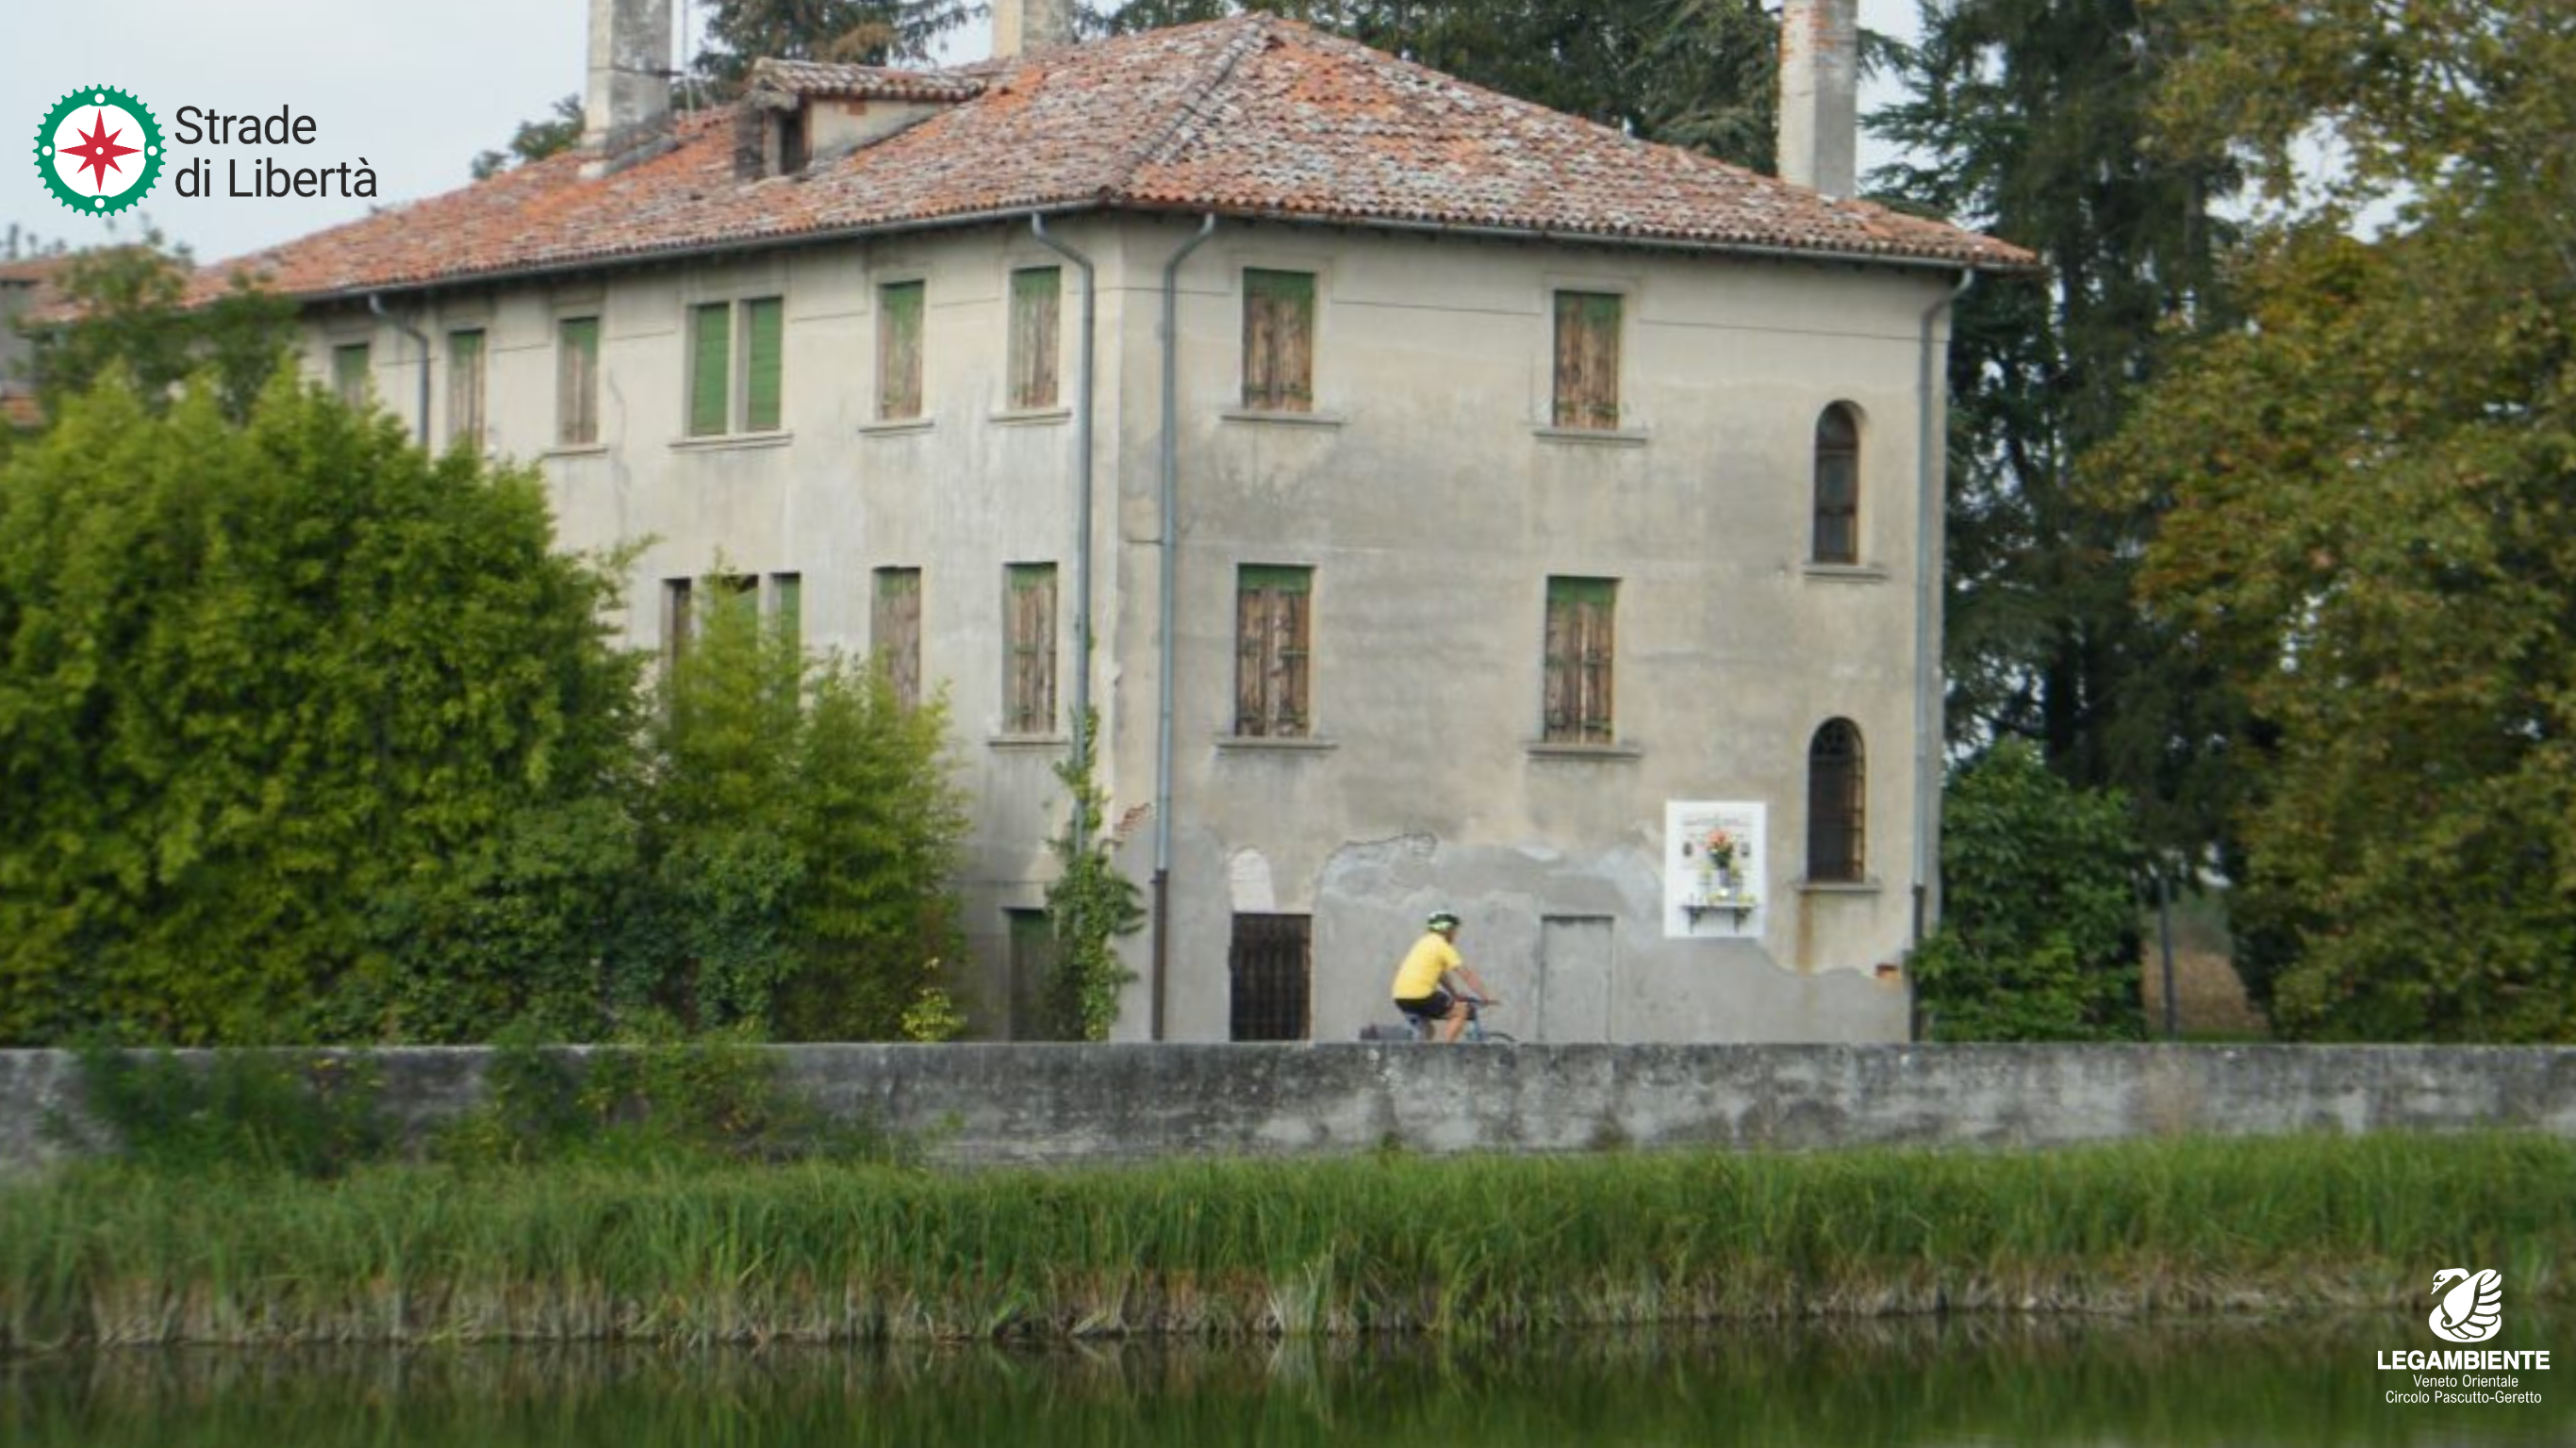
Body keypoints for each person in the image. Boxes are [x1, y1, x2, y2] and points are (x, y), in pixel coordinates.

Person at [1391, 910, 1500, 1043]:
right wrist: (1486, 996)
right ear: (1446, 929)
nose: (1456, 934)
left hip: (1400, 997)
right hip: (1421, 995)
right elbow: (1466, 975)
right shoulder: (1442, 946)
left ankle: (1424, 1060)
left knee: (1428, 1031)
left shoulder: (1422, 943)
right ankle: (1444, 1054)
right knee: (1462, 1011)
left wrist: (1454, 994)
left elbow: (1441, 976)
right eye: (1454, 930)